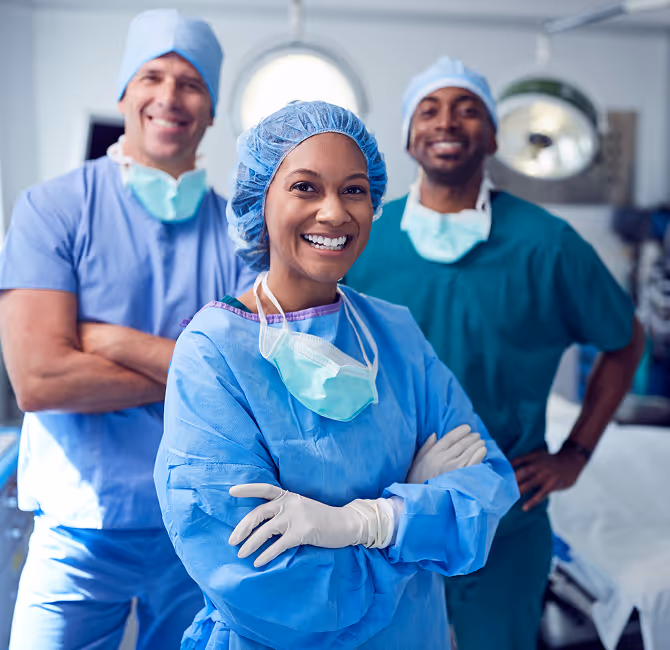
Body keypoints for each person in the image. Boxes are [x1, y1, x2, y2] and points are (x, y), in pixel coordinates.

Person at [153, 100, 520, 650]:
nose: (333, 213)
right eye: (305, 187)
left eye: (354, 190)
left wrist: (367, 522)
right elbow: (259, 580)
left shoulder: (394, 333)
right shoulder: (214, 351)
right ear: (260, 200)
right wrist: (412, 518)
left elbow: (486, 484)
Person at [346, 56, 646, 650]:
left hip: (502, 520)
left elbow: (625, 340)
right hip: (381, 510)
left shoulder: (546, 244)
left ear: (492, 135)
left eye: (467, 109)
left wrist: (576, 453)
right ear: (408, 136)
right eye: (429, 109)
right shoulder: (363, 238)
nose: (447, 122)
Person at [0, 10, 254, 650]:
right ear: (125, 93)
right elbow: (38, 379)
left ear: (212, 109)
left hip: (200, 525)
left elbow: (249, 386)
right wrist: (192, 374)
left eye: (191, 83)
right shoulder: (53, 208)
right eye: (152, 76)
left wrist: (108, 340)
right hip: (78, 525)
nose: (170, 97)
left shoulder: (239, 239)